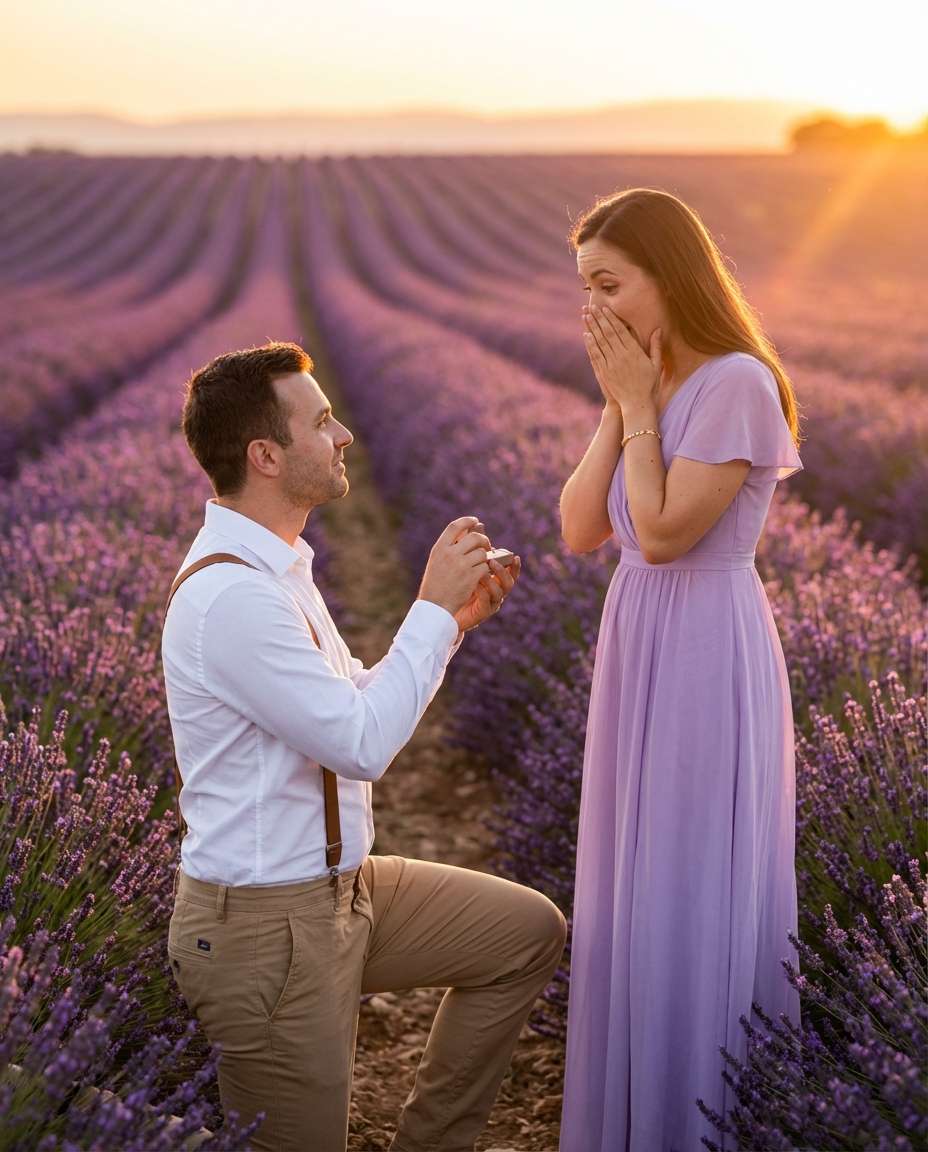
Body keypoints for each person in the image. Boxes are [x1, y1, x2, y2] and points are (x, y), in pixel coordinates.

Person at [160, 341, 567, 1152]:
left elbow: (354, 704)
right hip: (265, 928)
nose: (343, 433)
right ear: (266, 456)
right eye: (321, 421)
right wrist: (426, 609)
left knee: (524, 934)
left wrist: (449, 623)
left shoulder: (280, 572)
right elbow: (362, 742)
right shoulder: (232, 597)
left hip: (343, 893)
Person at [558, 189, 804, 1152]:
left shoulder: (738, 381)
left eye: (610, 284)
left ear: (674, 276)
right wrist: (626, 405)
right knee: (636, 874)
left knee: (687, 874)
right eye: (585, 288)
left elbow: (660, 536)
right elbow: (583, 528)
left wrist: (636, 406)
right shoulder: (649, 388)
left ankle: (692, 1121)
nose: (595, 309)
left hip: (705, 639)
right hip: (641, 639)